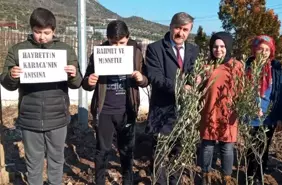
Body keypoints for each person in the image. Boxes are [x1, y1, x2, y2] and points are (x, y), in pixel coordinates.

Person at [0, 8, 82, 185]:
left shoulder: (65, 50)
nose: (42, 37)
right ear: (31, 29)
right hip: (30, 118)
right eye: (37, 32)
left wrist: (74, 74)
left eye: (46, 33)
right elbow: (6, 83)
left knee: (56, 160)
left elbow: (76, 83)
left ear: (54, 30)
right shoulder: (18, 50)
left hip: (58, 117)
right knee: (33, 162)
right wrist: (11, 76)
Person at [82, 20, 148, 185]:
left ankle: (128, 180)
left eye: (122, 43)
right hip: (105, 110)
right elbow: (86, 82)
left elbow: (146, 79)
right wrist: (89, 82)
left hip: (127, 110)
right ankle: (99, 181)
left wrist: (141, 79)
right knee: (102, 150)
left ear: (128, 38)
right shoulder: (98, 54)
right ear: (107, 39)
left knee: (126, 150)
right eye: (113, 43)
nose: (117, 47)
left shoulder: (136, 53)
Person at [143, 12, 199, 185]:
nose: (180, 33)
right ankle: (160, 182)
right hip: (162, 110)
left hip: (184, 112)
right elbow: (155, 77)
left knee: (180, 151)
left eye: (185, 30)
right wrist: (181, 88)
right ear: (170, 26)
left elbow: (193, 73)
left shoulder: (193, 50)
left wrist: (197, 79)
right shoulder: (155, 49)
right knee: (160, 150)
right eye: (178, 28)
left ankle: (174, 181)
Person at [199, 32, 242, 185]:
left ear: (228, 47)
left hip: (228, 113)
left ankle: (227, 178)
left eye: (222, 46)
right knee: (207, 146)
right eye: (215, 46)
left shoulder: (236, 66)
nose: (218, 50)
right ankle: (206, 176)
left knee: (227, 147)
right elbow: (199, 89)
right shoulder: (206, 66)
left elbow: (242, 91)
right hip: (209, 112)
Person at [245, 35, 282, 184]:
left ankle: (260, 177)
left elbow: (281, 94)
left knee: (264, 149)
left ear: (271, 51)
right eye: (260, 49)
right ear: (254, 50)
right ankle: (249, 176)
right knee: (251, 149)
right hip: (250, 116)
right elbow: (241, 90)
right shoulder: (247, 66)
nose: (263, 52)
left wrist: (280, 117)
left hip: (269, 116)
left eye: (267, 49)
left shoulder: (276, 69)